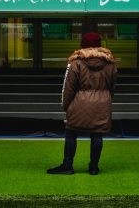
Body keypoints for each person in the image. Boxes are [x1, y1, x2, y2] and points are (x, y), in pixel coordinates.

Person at [47, 32, 117, 175]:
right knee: (97, 135)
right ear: (99, 45)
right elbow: (112, 87)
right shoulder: (110, 64)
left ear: (82, 45)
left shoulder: (75, 63)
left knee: (71, 133)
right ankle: (93, 167)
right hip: (102, 103)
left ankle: (67, 166)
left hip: (79, 103)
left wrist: (67, 107)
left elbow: (68, 88)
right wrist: (106, 101)